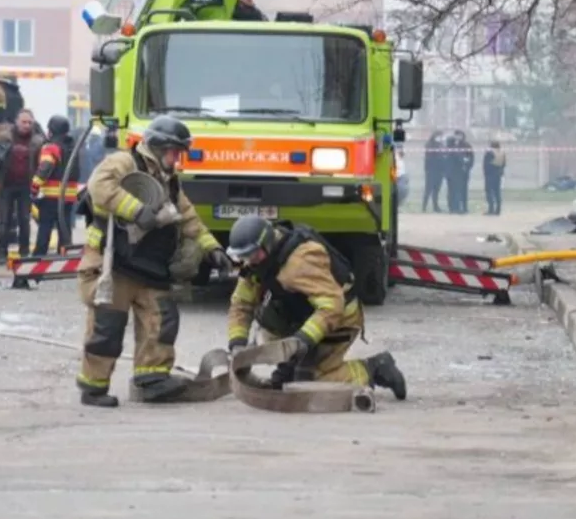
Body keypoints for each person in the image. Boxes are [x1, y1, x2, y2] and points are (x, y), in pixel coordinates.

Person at [74, 116, 233, 408]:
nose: (177, 158)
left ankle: (153, 379)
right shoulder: (125, 162)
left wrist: (212, 248)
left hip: (149, 265)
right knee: (107, 327)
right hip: (114, 263)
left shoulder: (169, 180)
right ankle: (93, 388)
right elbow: (99, 186)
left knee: (162, 320)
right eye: (174, 152)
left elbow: (187, 217)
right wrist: (136, 210)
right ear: (159, 147)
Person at [224, 216, 406, 407]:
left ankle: (374, 368)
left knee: (309, 383)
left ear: (267, 244)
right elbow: (241, 304)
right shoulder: (257, 263)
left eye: (252, 255)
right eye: (243, 256)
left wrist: (303, 340)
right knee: (269, 330)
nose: (249, 261)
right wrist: (237, 343)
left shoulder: (299, 262)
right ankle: (289, 368)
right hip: (304, 316)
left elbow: (331, 306)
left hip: (340, 320)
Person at [0, 109, 43, 275]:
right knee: (4, 221)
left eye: (29, 122)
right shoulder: (4, 137)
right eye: (24, 122)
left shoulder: (38, 141)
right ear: (16, 122)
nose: (27, 125)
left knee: (24, 220)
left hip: (26, 186)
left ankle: (24, 252)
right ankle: (1, 253)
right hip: (6, 185)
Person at [31, 115, 81, 256]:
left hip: (51, 196)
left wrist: (34, 187)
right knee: (64, 228)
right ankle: (64, 255)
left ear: (51, 131)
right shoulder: (73, 147)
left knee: (45, 227)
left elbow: (45, 168)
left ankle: (39, 256)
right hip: (69, 196)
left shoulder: (51, 147)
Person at [422, 131, 444, 212]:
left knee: (436, 190)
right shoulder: (429, 145)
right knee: (428, 190)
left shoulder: (441, 145)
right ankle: (424, 207)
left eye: (441, 136)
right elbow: (429, 157)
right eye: (438, 136)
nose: (440, 138)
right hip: (431, 171)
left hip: (439, 171)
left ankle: (436, 207)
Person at [483, 140, 507, 216]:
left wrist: (485, 173)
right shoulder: (502, 152)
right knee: (497, 192)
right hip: (498, 173)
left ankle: (491, 209)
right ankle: (498, 210)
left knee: (489, 192)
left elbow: (485, 164)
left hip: (490, 174)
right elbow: (504, 164)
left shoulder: (489, 152)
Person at [456, 130, 475, 214]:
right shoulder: (454, 146)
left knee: (464, 190)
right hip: (456, 172)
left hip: (464, 171)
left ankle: (464, 207)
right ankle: (457, 207)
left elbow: (471, 157)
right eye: (457, 135)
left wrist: (467, 167)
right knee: (457, 190)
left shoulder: (467, 145)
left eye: (459, 135)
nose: (458, 137)